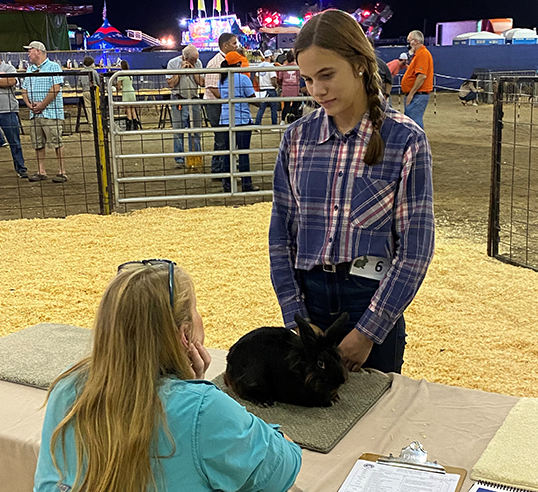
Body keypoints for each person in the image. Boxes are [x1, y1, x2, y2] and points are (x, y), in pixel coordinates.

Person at [33, 260, 302, 492]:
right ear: (185, 336)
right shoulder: (204, 409)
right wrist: (198, 392)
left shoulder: (66, 389)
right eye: (197, 311)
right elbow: (281, 468)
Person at [269, 9, 435, 375]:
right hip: (308, 300)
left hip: (371, 299)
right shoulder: (296, 139)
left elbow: (416, 250)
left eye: (326, 75)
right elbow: (280, 236)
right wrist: (294, 316)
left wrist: (369, 332)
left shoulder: (405, 140)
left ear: (360, 64)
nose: (316, 90)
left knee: (378, 419)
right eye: (308, 79)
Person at [21, 41, 66, 183]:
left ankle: (62, 171)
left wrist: (42, 105)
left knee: (57, 141)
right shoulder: (30, 69)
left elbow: (56, 88)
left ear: (38, 51)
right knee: (37, 143)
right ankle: (41, 170)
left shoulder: (53, 66)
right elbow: (24, 89)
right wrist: (29, 104)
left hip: (51, 113)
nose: (28, 54)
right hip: (36, 112)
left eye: (30, 51)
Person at [218, 51, 260, 193]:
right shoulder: (243, 78)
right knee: (243, 153)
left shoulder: (222, 80)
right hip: (242, 120)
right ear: (238, 64)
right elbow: (252, 98)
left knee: (227, 153)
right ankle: (246, 184)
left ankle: (227, 184)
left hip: (225, 119)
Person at [203, 33, 239, 176]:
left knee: (224, 136)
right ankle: (218, 168)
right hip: (215, 104)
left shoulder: (226, 61)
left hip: (221, 103)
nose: (236, 46)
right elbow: (212, 87)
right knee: (221, 137)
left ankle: (220, 167)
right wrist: (230, 97)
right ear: (225, 45)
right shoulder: (216, 62)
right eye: (234, 43)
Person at [166, 45, 205, 168]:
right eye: (192, 60)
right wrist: (180, 72)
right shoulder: (172, 63)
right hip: (179, 100)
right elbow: (171, 84)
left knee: (196, 131)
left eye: (196, 59)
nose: (195, 61)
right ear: (185, 57)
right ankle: (179, 159)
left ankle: (195, 157)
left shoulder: (198, 63)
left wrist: (193, 70)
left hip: (194, 99)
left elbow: (202, 82)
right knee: (179, 131)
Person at [0, 55, 27, 178]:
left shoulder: (9, 67)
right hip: (6, 109)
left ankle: (20, 168)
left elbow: (11, 81)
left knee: (14, 141)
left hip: (7, 109)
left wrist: (5, 81)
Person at [401, 30, 434, 129]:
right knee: (411, 122)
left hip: (417, 95)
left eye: (409, 40)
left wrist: (411, 94)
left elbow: (421, 76)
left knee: (413, 123)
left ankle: (417, 143)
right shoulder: (418, 55)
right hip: (416, 95)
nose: (408, 43)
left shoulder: (422, 54)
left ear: (415, 41)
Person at [254, 49, 279, 126]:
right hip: (271, 89)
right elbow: (273, 79)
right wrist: (276, 86)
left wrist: (261, 84)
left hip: (262, 89)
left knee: (261, 108)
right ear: (270, 56)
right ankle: (274, 125)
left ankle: (257, 124)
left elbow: (256, 77)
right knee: (273, 109)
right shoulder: (271, 66)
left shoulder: (260, 66)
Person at [278, 50, 301, 124]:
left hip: (286, 88)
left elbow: (280, 78)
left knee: (286, 105)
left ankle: (282, 120)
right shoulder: (297, 67)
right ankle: (296, 120)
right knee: (295, 105)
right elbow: (300, 76)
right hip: (295, 88)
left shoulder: (283, 67)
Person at [116, 60, 139, 131]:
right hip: (132, 91)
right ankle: (135, 125)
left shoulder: (121, 75)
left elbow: (119, 87)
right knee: (133, 109)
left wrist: (117, 87)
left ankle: (129, 125)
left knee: (128, 109)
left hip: (126, 92)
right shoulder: (130, 74)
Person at [78, 56, 100, 130]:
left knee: (88, 110)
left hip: (85, 92)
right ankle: (98, 125)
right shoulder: (94, 72)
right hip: (94, 92)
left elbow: (79, 84)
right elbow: (99, 82)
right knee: (96, 108)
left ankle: (91, 127)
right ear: (91, 64)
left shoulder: (81, 72)